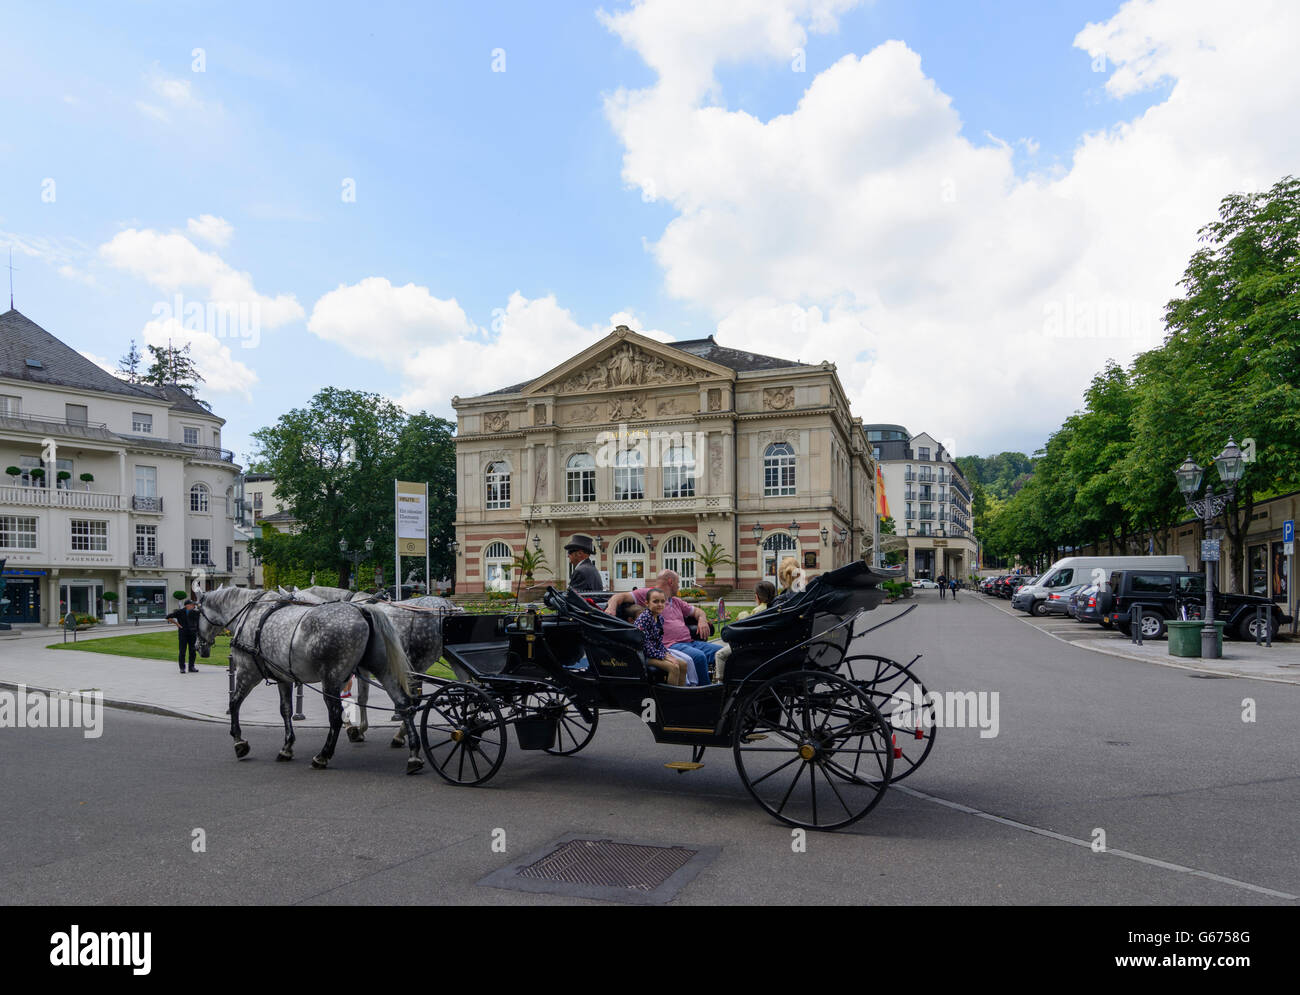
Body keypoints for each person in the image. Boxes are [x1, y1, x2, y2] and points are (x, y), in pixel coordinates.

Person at [605, 569, 715, 685]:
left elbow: (658, 640)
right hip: (661, 648)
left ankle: (693, 690)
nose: (661, 605)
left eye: (663, 602)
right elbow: (645, 643)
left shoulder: (670, 607)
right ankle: (701, 690)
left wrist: (702, 619)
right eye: (678, 583)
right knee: (692, 659)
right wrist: (611, 608)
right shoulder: (646, 611)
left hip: (682, 643)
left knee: (720, 653)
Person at [714, 581, 777, 681]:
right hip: (764, 643)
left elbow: (749, 627)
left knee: (719, 655)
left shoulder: (758, 610)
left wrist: (742, 616)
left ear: (757, 596)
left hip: (751, 644)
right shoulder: (774, 607)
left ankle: (720, 682)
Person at [635, 589, 689, 686]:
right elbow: (645, 646)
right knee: (674, 667)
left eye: (662, 601)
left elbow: (658, 642)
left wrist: (667, 654)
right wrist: (663, 656)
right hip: (643, 655)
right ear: (647, 603)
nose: (660, 604)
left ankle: (682, 692)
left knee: (683, 664)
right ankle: (671, 697)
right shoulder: (644, 619)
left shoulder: (660, 618)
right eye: (655, 601)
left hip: (654, 653)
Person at [167, 598, 201, 673]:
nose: (193, 606)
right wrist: (177, 624)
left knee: (192, 651)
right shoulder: (180, 612)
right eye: (192, 605)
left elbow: (199, 622)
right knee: (182, 651)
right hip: (183, 634)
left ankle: (191, 667)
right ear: (187, 605)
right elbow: (168, 617)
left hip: (192, 634)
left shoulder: (195, 612)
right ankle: (182, 668)